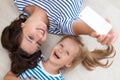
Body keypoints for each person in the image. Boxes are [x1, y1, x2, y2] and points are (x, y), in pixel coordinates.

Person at [1, 0, 118, 55]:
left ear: (22, 25)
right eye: (38, 44)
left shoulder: (20, 1)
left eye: (30, 37)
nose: (40, 37)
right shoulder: (59, 26)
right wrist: (102, 29)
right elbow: (86, 28)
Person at [4, 35, 115, 80]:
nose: (60, 50)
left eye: (67, 53)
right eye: (61, 45)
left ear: (68, 63)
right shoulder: (34, 57)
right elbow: (8, 76)